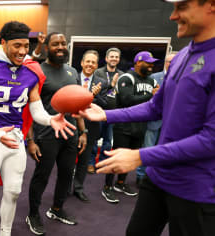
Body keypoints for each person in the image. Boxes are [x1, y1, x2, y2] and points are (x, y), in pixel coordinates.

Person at [79, 0, 215, 235]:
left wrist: (141, 156)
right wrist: (105, 114)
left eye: (181, 7)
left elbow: (210, 140)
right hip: (159, 177)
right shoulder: (182, 56)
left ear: (211, 5)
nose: (172, 16)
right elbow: (155, 107)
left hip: (197, 189)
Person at [0, 22, 75, 236]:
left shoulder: (31, 70)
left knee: (14, 192)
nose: (23, 51)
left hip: (15, 137)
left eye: (26, 45)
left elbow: (36, 110)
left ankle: (5, 233)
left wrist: (51, 119)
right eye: (17, 45)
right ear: (3, 42)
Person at [25, 32, 87, 235]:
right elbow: (28, 108)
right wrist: (30, 140)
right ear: (47, 47)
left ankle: (57, 209)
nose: (60, 47)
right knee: (41, 176)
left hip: (70, 133)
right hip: (46, 133)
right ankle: (33, 213)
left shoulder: (72, 71)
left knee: (67, 174)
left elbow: (78, 104)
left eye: (63, 43)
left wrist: (83, 131)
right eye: (55, 44)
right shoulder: (38, 71)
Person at [99, 50, 159, 204]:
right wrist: (151, 96)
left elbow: (154, 104)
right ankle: (107, 187)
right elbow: (127, 101)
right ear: (138, 62)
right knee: (117, 158)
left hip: (140, 127)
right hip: (123, 127)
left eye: (153, 63)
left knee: (130, 158)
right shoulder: (127, 77)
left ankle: (120, 184)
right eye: (148, 63)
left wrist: (155, 96)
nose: (152, 66)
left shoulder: (152, 81)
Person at [136, 51, 177, 186]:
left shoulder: (182, 77)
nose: (172, 64)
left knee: (163, 151)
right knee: (147, 149)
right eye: (170, 61)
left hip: (171, 122)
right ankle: (141, 177)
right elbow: (146, 101)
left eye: (175, 61)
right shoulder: (154, 77)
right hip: (154, 121)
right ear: (166, 63)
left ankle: (156, 177)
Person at [71, 50, 107, 203]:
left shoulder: (102, 83)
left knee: (85, 159)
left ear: (96, 65)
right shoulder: (72, 78)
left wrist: (94, 95)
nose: (90, 65)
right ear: (82, 63)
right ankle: (64, 187)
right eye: (88, 61)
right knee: (68, 158)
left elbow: (106, 104)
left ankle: (78, 188)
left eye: (93, 62)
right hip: (72, 124)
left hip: (91, 126)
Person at [90, 47, 124, 173]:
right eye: (112, 56)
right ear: (106, 58)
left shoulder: (121, 75)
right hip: (97, 110)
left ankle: (103, 164)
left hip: (112, 114)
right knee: (93, 139)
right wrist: (111, 85)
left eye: (116, 57)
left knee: (108, 141)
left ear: (119, 59)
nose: (114, 59)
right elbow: (97, 91)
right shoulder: (98, 72)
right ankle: (91, 163)